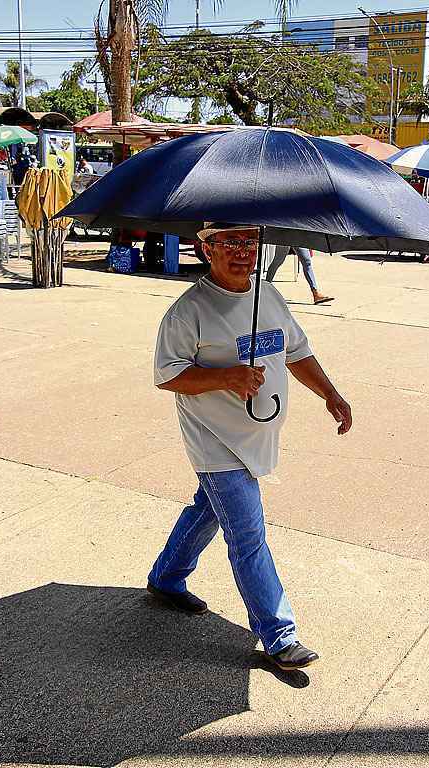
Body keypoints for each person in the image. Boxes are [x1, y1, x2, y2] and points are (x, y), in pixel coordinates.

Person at [148, 223, 352, 671]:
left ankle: (166, 577)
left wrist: (331, 394)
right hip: (214, 440)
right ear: (206, 248)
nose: (243, 252)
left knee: (208, 509)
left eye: (250, 242)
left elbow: (296, 352)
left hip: (257, 438)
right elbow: (167, 375)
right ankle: (279, 635)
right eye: (230, 242)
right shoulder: (189, 312)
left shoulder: (268, 295)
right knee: (248, 533)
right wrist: (227, 377)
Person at [265, 245, 334, 304]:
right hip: (285, 233)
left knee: (307, 262)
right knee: (278, 261)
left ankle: (315, 293)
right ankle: (265, 287)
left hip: (299, 234)